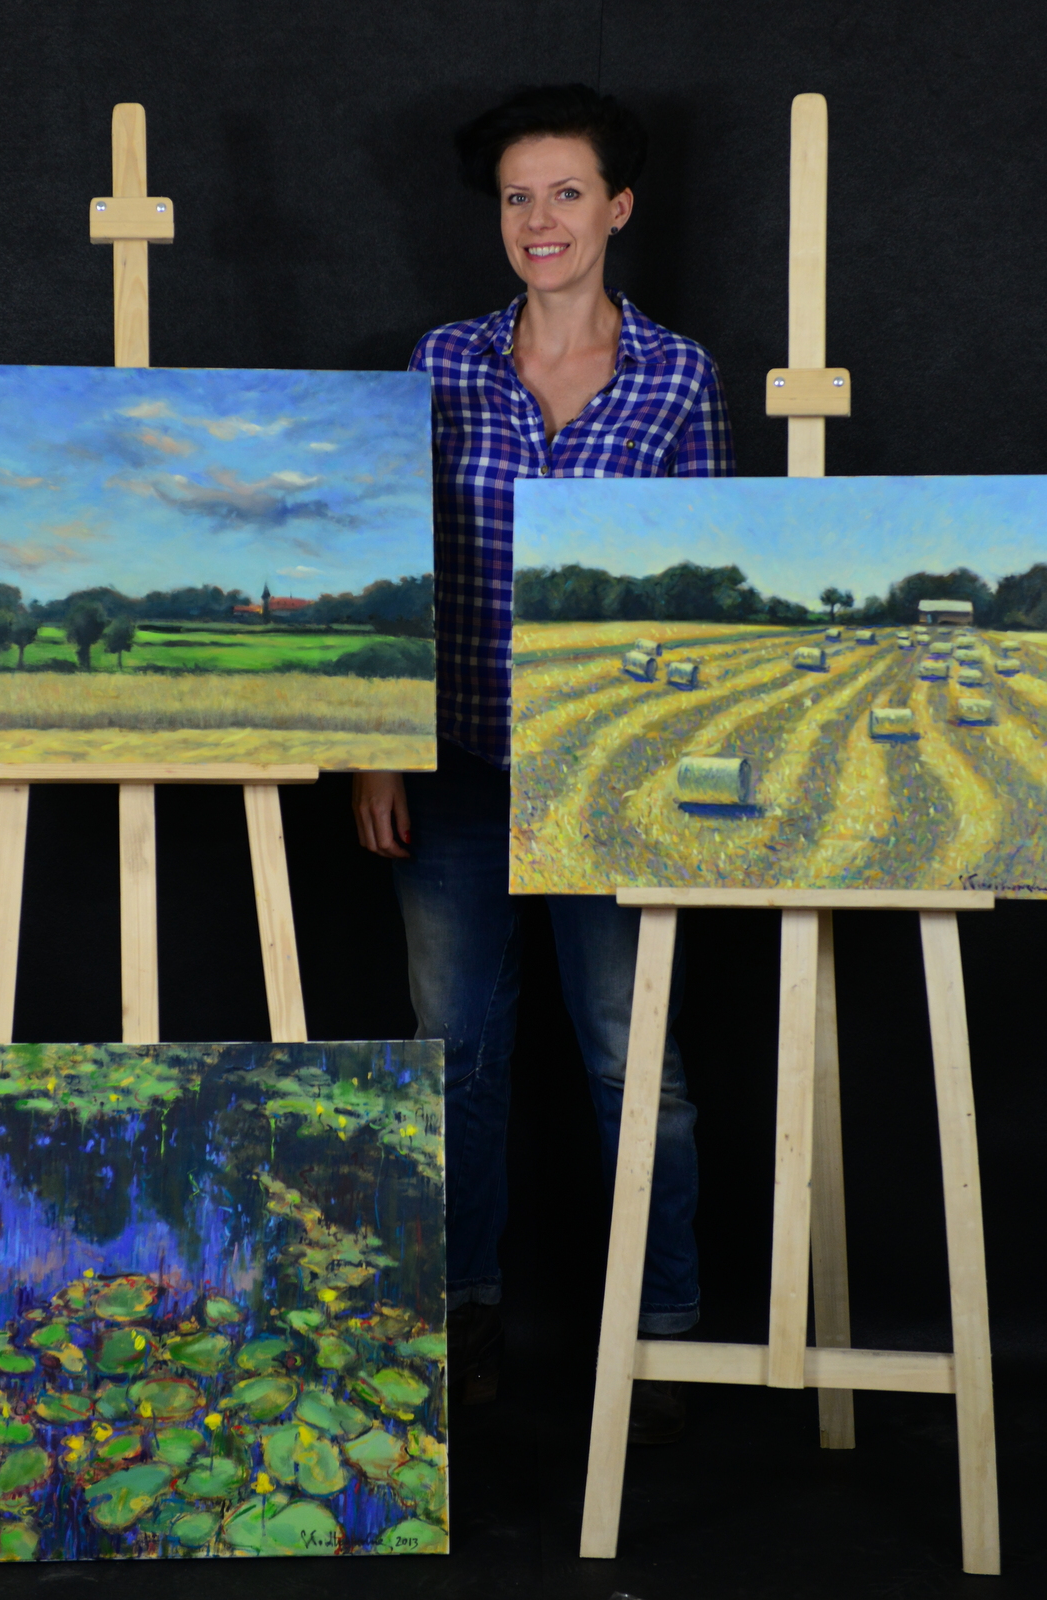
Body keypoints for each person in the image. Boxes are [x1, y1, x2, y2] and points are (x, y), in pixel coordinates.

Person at [352, 84, 734, 1445]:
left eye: (566, 193)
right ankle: (460, 1324)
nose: (540, 219)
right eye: (519, 197)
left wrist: (681, 775)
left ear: (617, 209)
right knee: (453, 1055)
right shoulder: (441, 363)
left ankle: (662, 1333)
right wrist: (378, 750)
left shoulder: (679, 377)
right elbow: (393, 564)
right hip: (455, 759)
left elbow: (703, 593)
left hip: (611, 773)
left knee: (637, 1065)